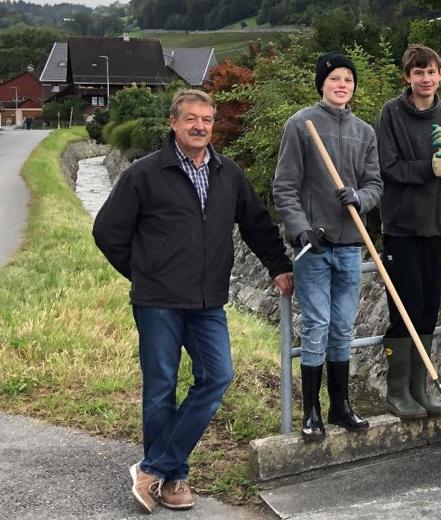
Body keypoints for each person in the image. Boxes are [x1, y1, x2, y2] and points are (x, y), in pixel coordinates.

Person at [93, 89, 293, 513]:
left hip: (207, 302)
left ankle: (153, 469)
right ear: (174, 122)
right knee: (160, 388)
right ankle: (175, 478)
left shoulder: (228, 173)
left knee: (218, 376)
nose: (200, 126)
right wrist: (144, 273)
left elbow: (257, 225)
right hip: (157, 301)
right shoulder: (144, 174)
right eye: (191, 119)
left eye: (206, 119)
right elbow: (107, 232)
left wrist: (278, 266)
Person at [273, 52, 383, 440]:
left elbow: (375, 185)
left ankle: (340, 406)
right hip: (314, 246)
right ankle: (311, 412)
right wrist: (300, 229)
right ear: (321, 83)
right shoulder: (301, 125)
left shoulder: (365, 132)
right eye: (334, 78)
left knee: (342, 328)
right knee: (317, 326)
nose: (342, 84)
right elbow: (284, 186)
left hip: (352, 244)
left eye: (348, 79)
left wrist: (360, 198)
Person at [376, 44, 441, 419]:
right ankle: (397, 391)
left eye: (432, 72)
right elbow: (389, 166)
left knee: (428, 309)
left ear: (440, 75)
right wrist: (429, 166)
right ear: (408, 77)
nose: (425, 79)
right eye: (418, 73)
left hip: (437, 224)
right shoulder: (391, 114)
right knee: (405, 308)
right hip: (402, 226)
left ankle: (419, 386)